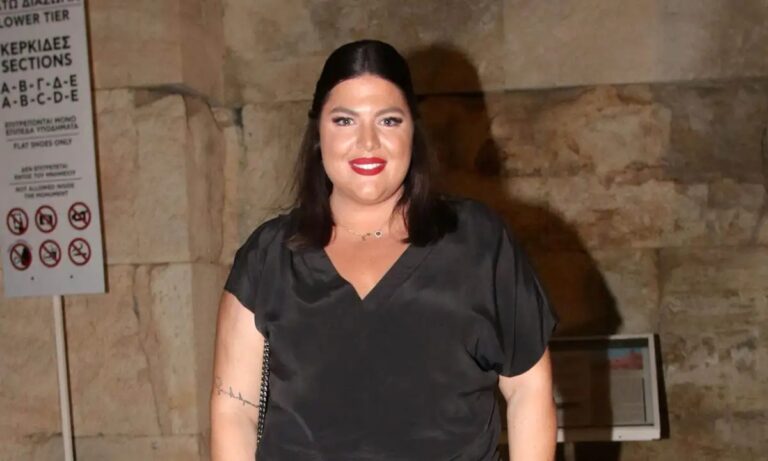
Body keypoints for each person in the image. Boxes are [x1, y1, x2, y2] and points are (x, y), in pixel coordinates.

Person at [210, 39, 558, 461]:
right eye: (344, 120)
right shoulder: (268, 256)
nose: (368, 142)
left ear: (413, 130)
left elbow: (528, 389)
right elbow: (234, 410)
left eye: (389, 120)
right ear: (318, 133)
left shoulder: (479, 242)